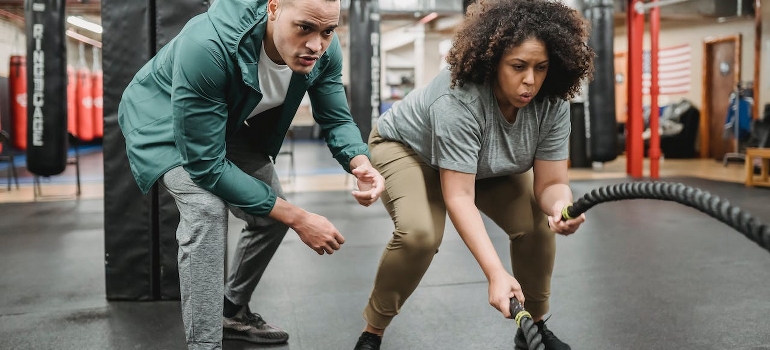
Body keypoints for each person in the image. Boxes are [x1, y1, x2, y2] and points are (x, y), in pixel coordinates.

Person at [117, 0, 384, 349]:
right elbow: (207, 166)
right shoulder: (209, 44)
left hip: (226, 119)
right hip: (160, 121)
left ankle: (231, 310)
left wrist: (359, 162)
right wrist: (300, 218)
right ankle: (205, 345)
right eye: (304, 27)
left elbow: (335, 117)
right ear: (273, 8)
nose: (317, 44)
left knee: (271, 215)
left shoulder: (323, 51)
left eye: (328, 31)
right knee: (207, 213)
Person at [353, 0, 593, 349]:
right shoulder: (459, 101)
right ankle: (371, 333)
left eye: (541, 67)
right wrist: (496, 274)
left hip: (483, 164)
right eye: (518, 66)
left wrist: (561, 206)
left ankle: (534, 329)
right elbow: (459, 196)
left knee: (538, 225)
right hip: (409, 150)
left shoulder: (552, 102)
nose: (530, 80)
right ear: (493, 62)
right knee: (420, 235)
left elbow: (553, 183)